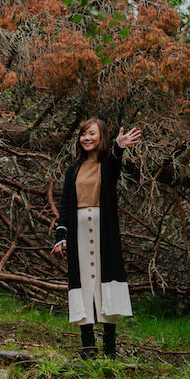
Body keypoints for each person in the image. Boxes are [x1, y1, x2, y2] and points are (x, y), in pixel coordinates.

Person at [51, 118, 141, 358]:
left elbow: (114, 164)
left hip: (104, 231)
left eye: (91, 134)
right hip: (79, 228)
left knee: (105, 282)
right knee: (83, 284)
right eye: (83, 134)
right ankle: (88, 344)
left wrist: (119, 147)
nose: (86, 138)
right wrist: (61, 234)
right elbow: (66, 202)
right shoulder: (73, 169)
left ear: (101, 137)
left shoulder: (107, 165)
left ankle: (110, 346)